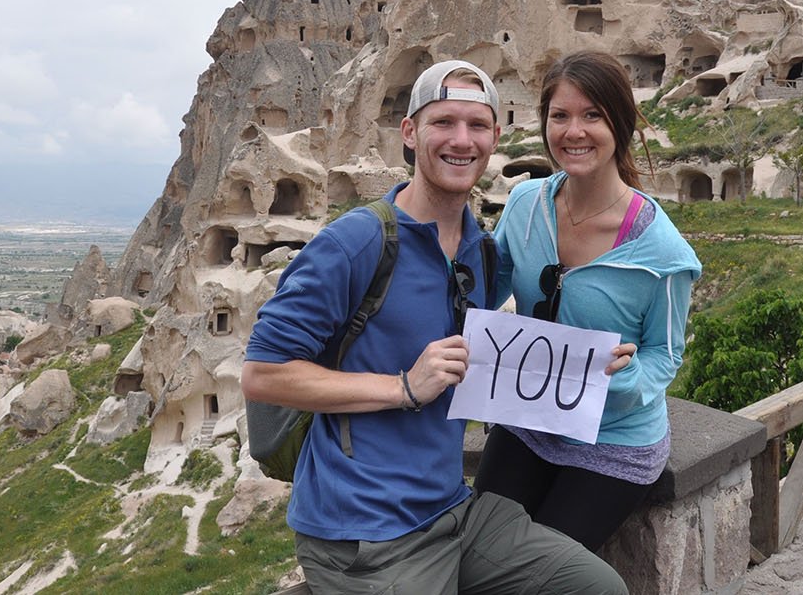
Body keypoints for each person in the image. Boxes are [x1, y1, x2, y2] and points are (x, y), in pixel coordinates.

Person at [242, 59, 628, 595]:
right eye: (443, 122)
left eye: (476, 125)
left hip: (451, 512)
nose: (461, 140)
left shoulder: (483, 254)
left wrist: (579, 368)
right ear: (410, 132)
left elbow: (483, 360)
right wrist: (402, 387)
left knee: (593, 587)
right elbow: (262, 375)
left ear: (495, 137)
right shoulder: (356, 243)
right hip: (363, 533)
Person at [474, 52, 702, 552]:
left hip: (613, 440)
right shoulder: (524, 204)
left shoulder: (661, 253)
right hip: (529, 418)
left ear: (619, 123)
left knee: (540, 572)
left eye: (592, 115)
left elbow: (666, 354)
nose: (574, 131)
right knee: (479, 550)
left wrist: (629, 379)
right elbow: (490, 289)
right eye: (560, 116)